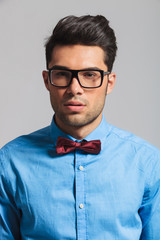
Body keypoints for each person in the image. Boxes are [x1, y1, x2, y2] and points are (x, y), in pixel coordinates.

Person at [0, 15, 160, 240]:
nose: (75, 88)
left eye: (90, 75)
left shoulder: (148, 164)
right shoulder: (9, 162)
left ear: (109, 82)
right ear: (47, 80)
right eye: (63, 74)